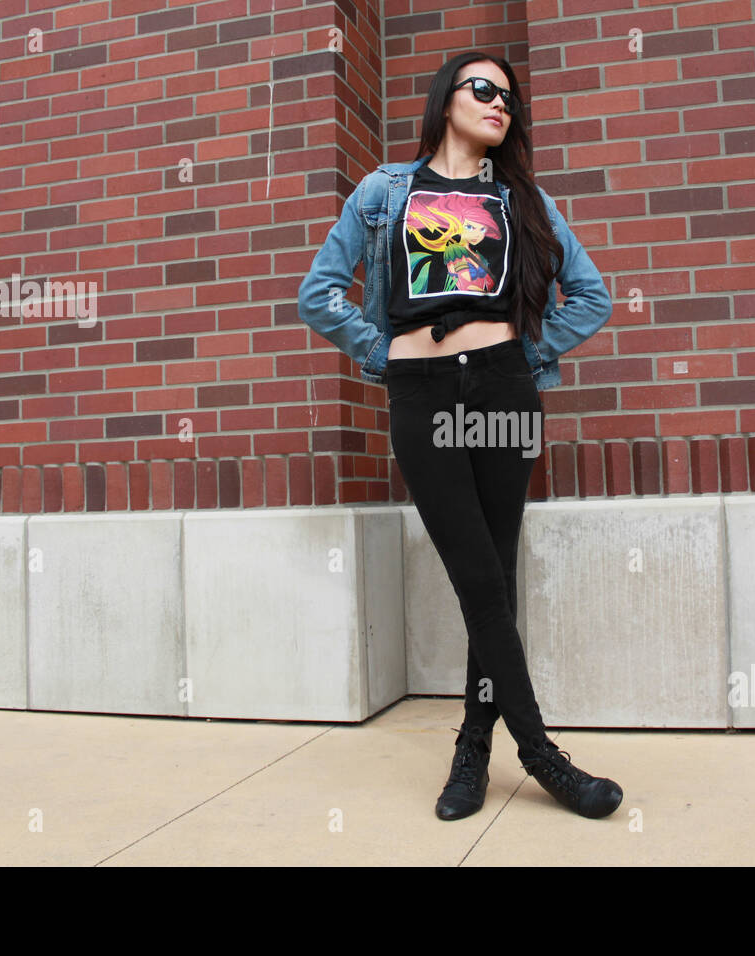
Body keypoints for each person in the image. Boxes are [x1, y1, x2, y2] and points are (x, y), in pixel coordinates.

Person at [297, 51, 621, 821]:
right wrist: (387, 354)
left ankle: (473, 750)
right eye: (484, 90)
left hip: (504, 391)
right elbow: (318, 293)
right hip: (424, 396)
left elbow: (592, 295)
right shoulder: (385, 192)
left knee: (495, 583)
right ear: (448, 101)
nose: (499, 104)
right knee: (477, 578)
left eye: (509, 98)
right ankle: (542, 755)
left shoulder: (522, 200)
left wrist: (526, 354)